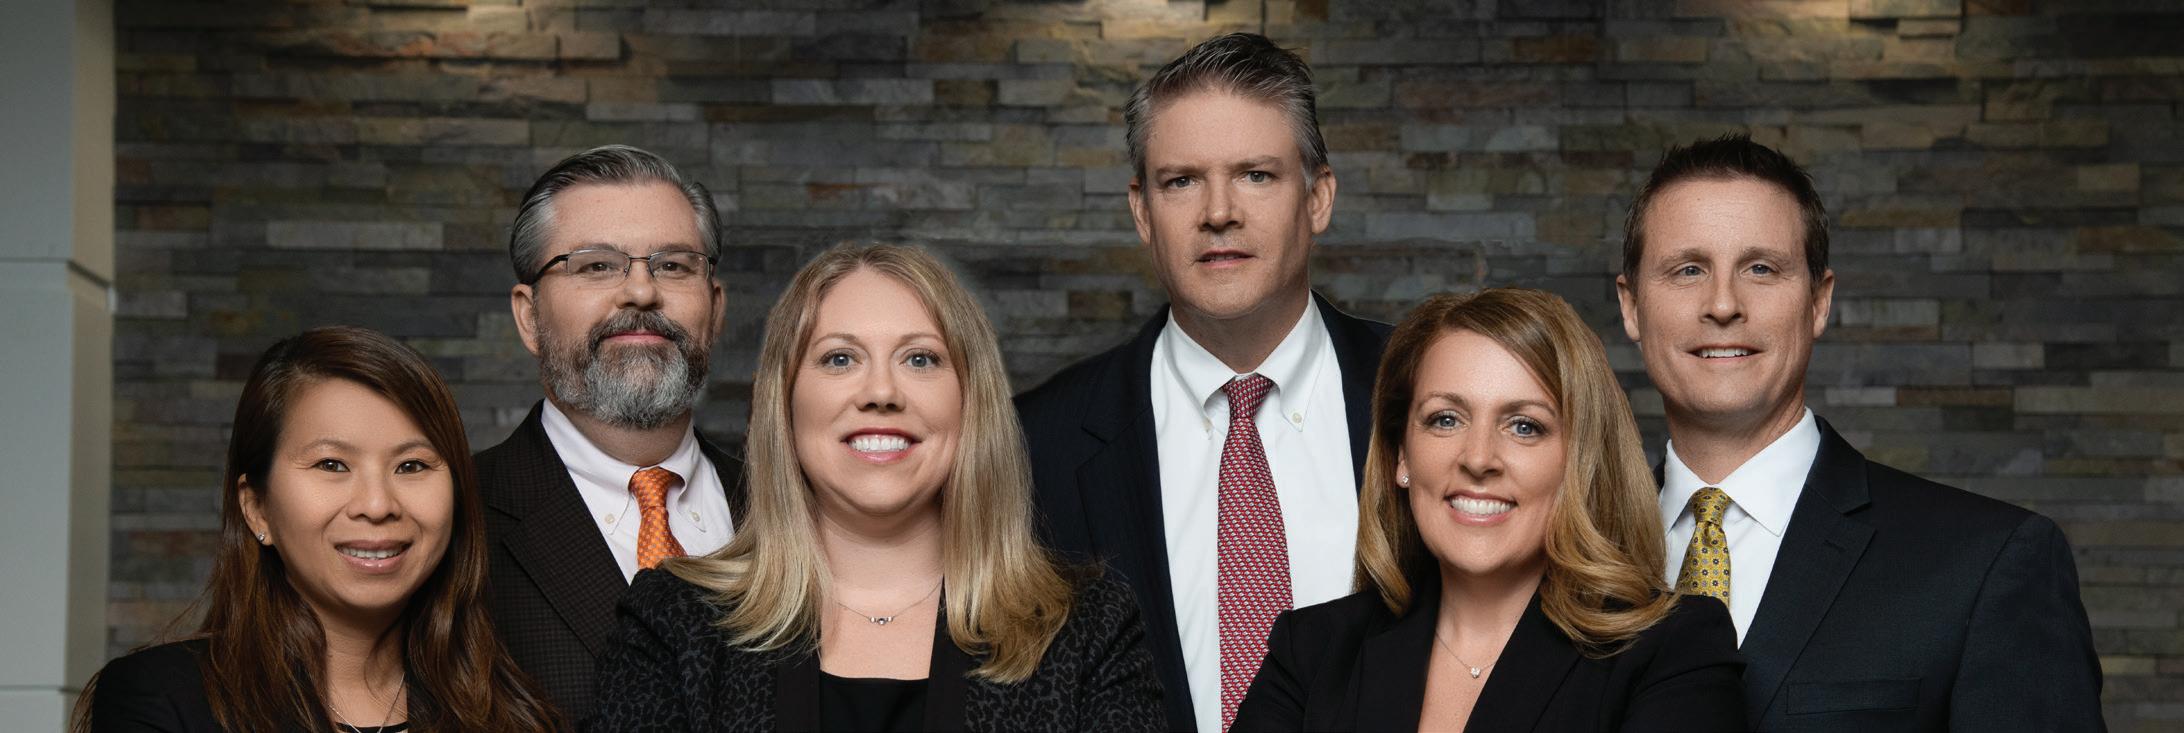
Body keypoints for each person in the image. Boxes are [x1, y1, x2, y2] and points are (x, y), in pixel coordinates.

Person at [1616, 134, 2103, 730]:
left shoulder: (1989, 562)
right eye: (1688, 269)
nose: (1723, 304)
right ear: (1632, 306)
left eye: (1761, 268)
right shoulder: (1568, 556)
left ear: (1819, 302)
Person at [587, 243, 1164, 732]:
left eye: (921, 359)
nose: (881, 392)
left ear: (972, 401)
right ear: (784, 403)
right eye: (840, 359)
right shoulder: (672, 624)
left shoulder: (1088, 628)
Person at [1015, 32, 1393, 732]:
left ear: (1318, 197)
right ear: (1141, 211)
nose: (1219, 212)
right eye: (1181, 181)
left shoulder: (1423, 393)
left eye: (1256, 174)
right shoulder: (1035, 446)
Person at [1231, 289, 1745, 732]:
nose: (1478, 459)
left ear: (1580, 460)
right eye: (1445, 419)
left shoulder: (1674, 651)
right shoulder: (1312, 652)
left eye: (1524, 426)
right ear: (1401, 455)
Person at [77, 326, 561, 732]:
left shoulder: (514, 709)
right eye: (332, 464)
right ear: (256, 508)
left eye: (412, 466)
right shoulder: (164, 698)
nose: (378, 505)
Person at [478, 144, 748, 720]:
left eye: (673, 265)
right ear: (529, 316)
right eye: (596, 265)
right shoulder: (451, 518)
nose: (642, 292)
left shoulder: (800, 509)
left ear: (715, 307)